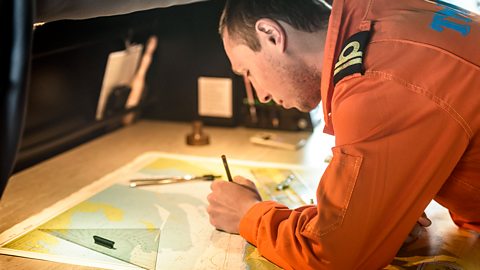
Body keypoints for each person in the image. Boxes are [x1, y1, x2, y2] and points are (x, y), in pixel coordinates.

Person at [206, 0, 480, 269]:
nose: (260, 95)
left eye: (247, 72)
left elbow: (333, 254)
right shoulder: (384, 15)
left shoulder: (378, 81)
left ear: (272, 36)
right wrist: (381, 216)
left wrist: (247, 213)